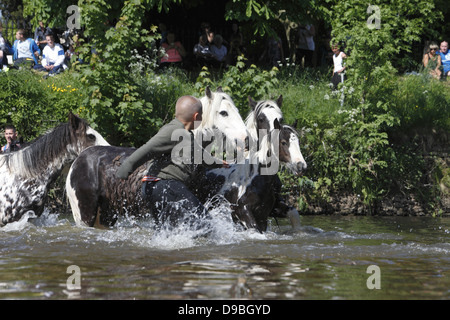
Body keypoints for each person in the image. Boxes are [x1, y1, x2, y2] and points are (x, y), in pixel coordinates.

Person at [116, 96, 221, 231]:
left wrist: (218, 162)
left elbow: (197, 156)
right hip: (164, 186)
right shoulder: (175, 131)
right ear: (196, 117)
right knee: (206, 225)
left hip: (154, 187)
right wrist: (125, 170)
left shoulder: (180, 131)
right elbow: (147, 149)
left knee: (167, 232)